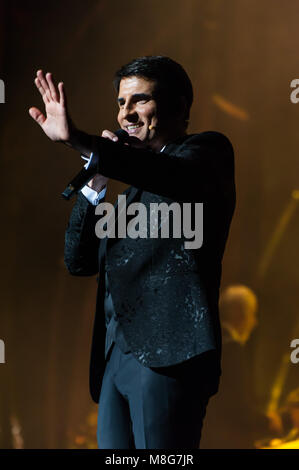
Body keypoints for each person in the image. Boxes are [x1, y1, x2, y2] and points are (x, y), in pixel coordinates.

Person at [29, 56, 236, 449]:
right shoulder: (129, 193)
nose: (127, 113)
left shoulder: (206, 153)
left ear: (178, 107)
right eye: (121, 103)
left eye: (140, 101)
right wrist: (97, 179)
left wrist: (83, 142)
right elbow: (78, 261)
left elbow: (171, 177)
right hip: (114, 361)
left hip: (169, 356)